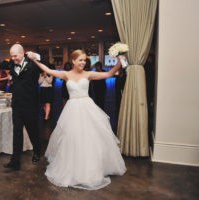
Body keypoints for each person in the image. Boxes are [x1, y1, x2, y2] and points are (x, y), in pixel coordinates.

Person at [27, 49, 126, 190]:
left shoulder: (89, 74)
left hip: (87, 108)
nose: (83, 62)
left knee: (89, 138)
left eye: (84, 60)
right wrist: (34, 60)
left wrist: (119, 62)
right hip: (72, 109)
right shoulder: (66, 74)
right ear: (73, 61)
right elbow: (48, 70)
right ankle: (73, 168)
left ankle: (90, 169)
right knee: (72, 138)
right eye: (80, 60)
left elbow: (109, 74)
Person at [0, 43, 42, 171]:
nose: (13, 58)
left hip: (31, 104)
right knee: (17, 133)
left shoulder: (33, 63)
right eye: (11, 56)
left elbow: (48, 65)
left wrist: (36, 56)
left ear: (23, 53)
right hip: (17, 105)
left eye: (15, 56)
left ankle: (37, 152)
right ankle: (15, 162)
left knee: (33, 131)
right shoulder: (11, 64)